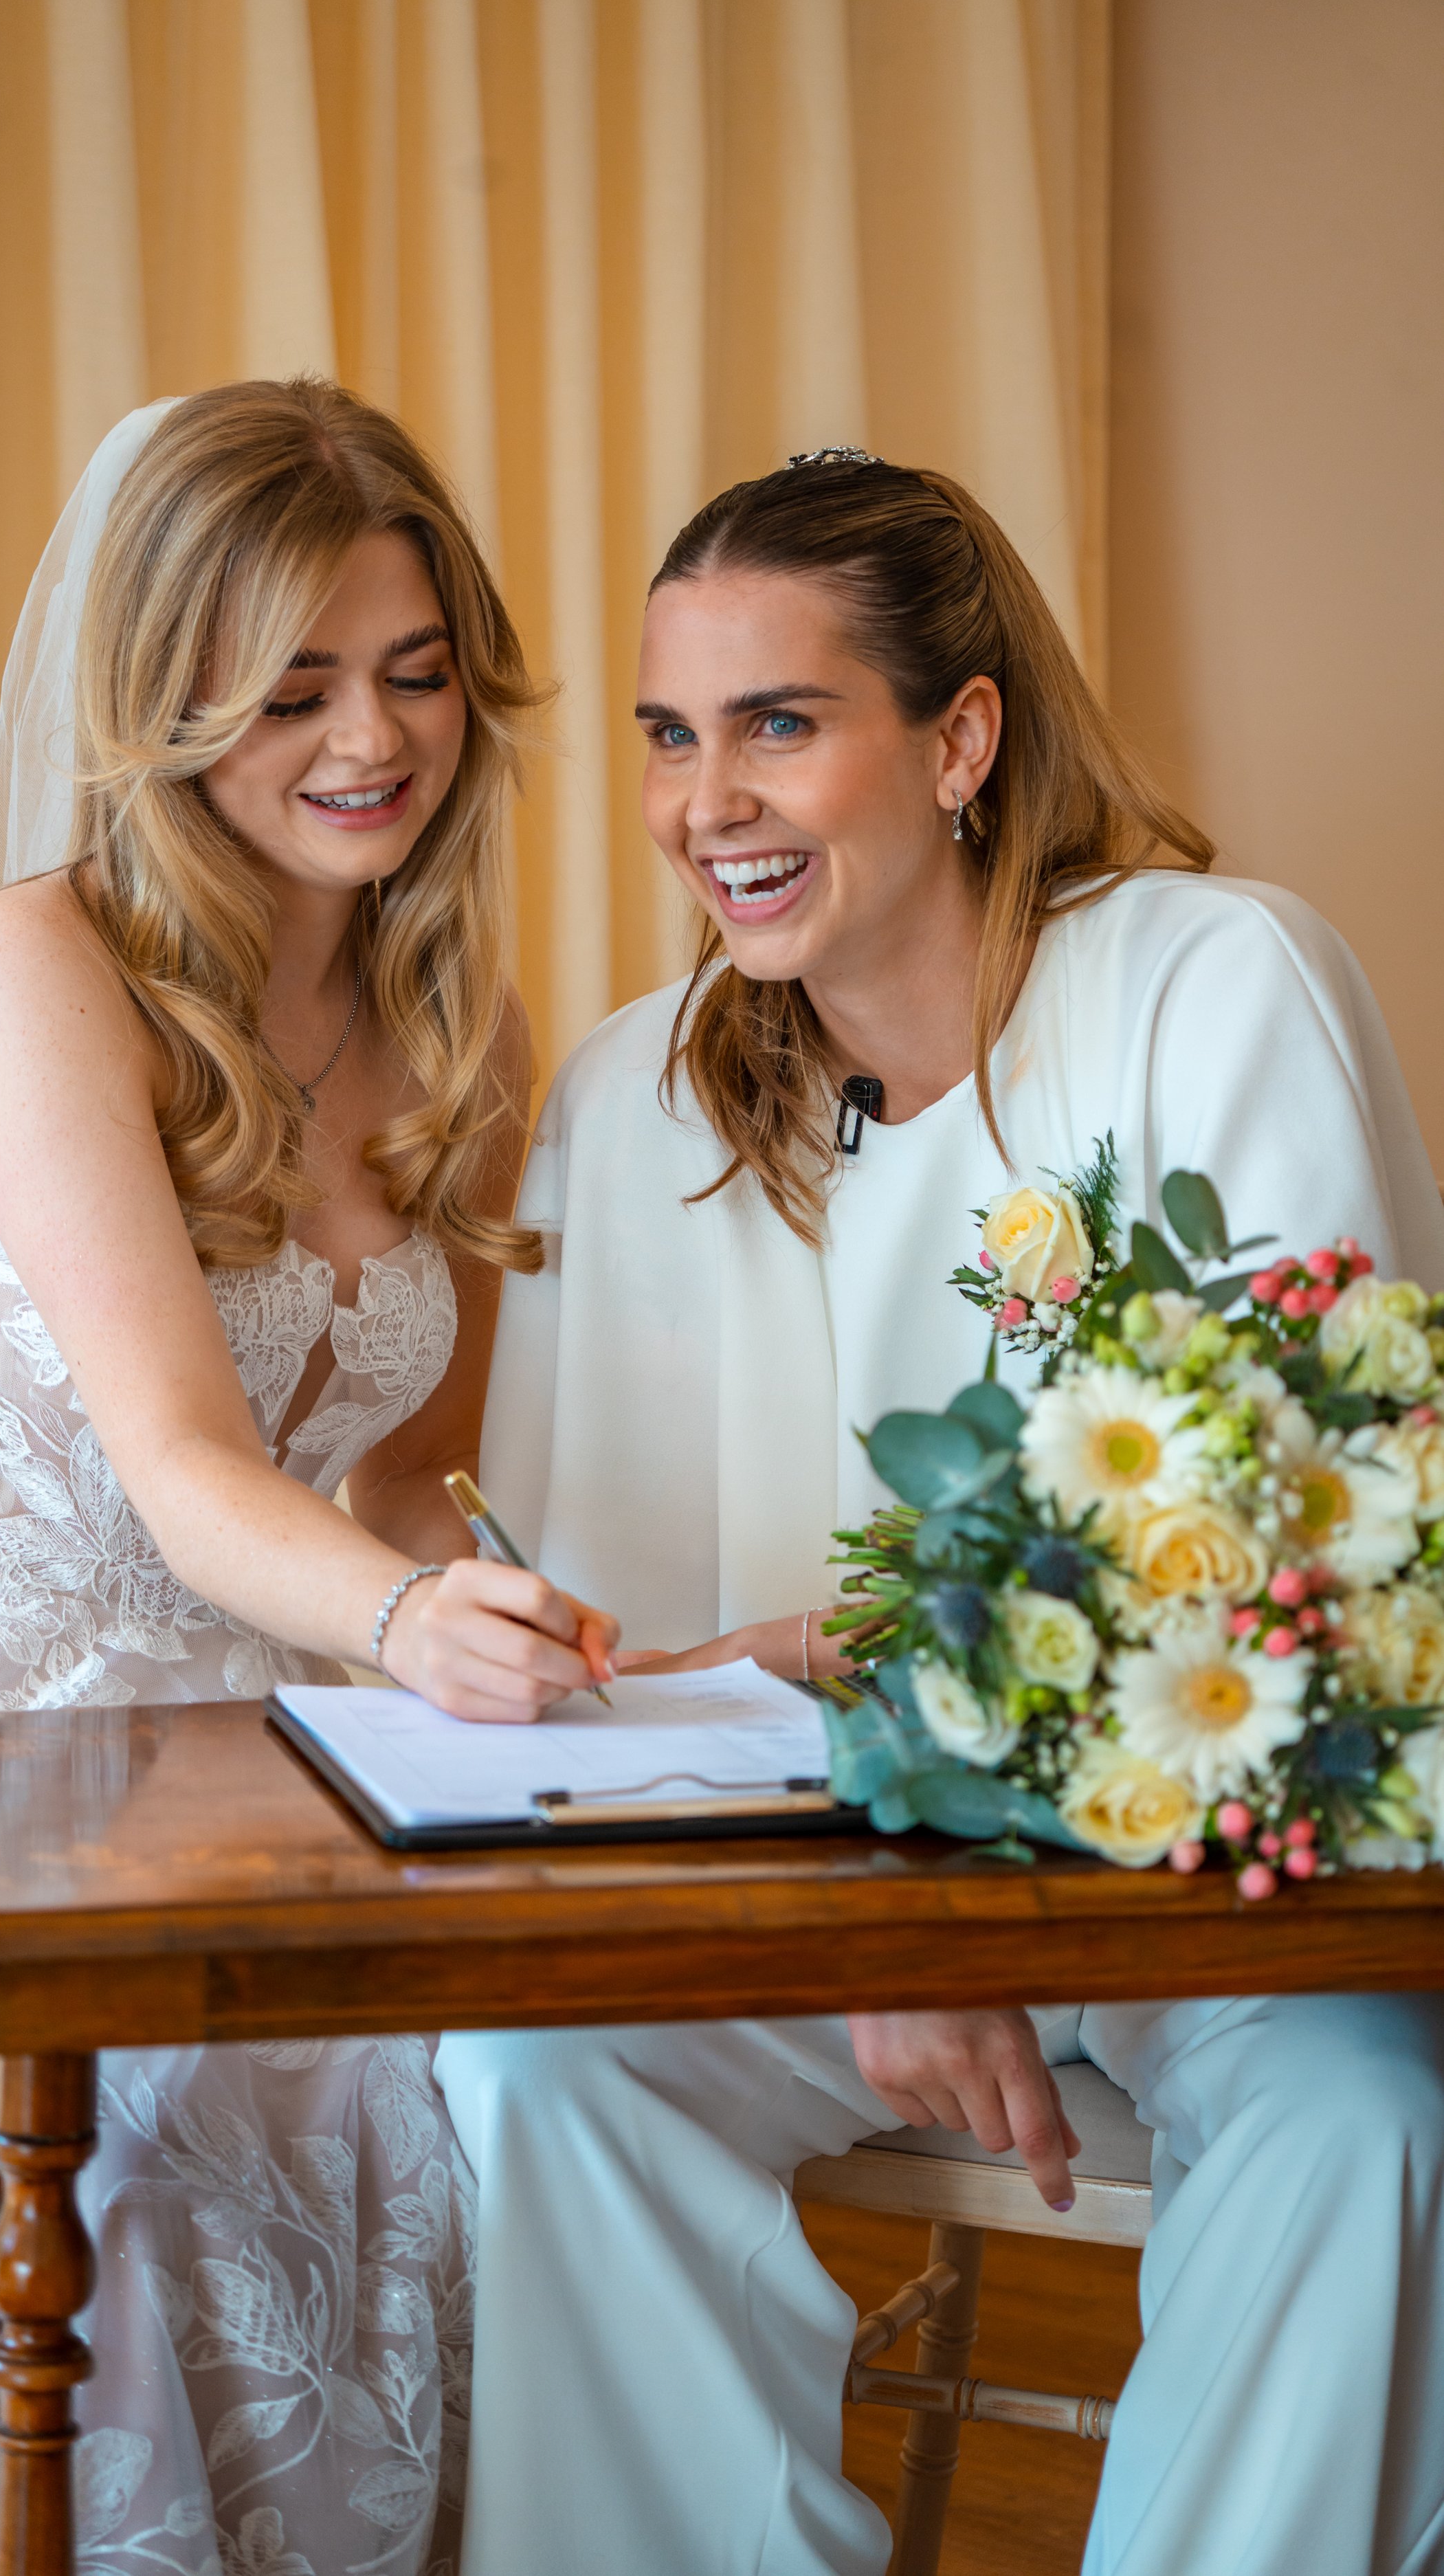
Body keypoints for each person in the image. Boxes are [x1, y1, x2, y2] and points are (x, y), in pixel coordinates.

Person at [435, 451, 1444, 2576]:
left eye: (779, 724)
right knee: (542, 2080)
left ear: (960, 739)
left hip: (1204, 1889)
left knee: (1374, 2120)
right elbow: (624, 1675)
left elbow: (1293, 1576)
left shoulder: (1213, 980)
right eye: (668, 736)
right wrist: (871, 1894)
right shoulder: (627, 1104)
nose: (709, 799)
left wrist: (956, 1890)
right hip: (798, 1883)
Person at [0, 380, 612, 2574]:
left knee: (498, 2111)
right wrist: (408, 1622)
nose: (370, 739)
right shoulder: (44, 969)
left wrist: (535, 1618)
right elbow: (183, 1457)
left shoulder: (464, 1034)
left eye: (413, 673)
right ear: (167, 697)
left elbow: (400, 1473)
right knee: (128, 2149)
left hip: (270, 1734)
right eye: (292, 687)